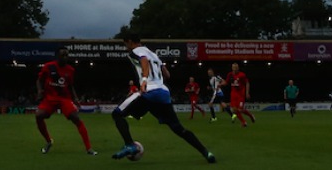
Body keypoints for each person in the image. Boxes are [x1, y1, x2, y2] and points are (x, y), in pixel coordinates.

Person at [110, 33, 216, 163]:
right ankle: (207, 153)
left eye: (125, 44)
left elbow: (143, 61)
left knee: (117, 114)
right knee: (178, 128)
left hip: (149, 91)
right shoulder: (153, 54)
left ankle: (130, 144)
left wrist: (144, 80)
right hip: (163, 93)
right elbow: (167, 74)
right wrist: (156, 79)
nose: (126, 47)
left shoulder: (136, 51)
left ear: (130, 42)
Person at [35, 47, 98, 154]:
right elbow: (39, 80)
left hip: (64, 98)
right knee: (38, 115)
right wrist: (40, 91)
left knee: (76, 118)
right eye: (63, 55)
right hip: (50, 98)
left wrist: (76, 98)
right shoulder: (48, 66)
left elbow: (70, 85)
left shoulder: (70, 70)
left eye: (67, 55)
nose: (65, 57)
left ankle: (89, 148)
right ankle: (48, 141)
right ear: (57, 56)